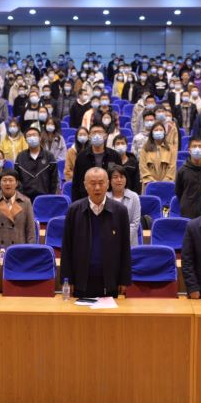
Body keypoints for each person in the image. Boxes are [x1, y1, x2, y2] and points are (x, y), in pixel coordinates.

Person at [61, 167, 132, 298]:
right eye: (93, 183)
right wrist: (67, 279)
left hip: (110, 280)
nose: (97, 188)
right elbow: (66, 248)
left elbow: (125, 248)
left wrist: (124, 279)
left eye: (101, 183)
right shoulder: (74, 210)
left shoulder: (120, 211)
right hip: (81, 280)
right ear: (85, 185)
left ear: (108, 184)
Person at [0, 168, 37, 251]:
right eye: (4, 180)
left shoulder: (26, 202)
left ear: (16, 183)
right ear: (0, 183)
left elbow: (31, 231)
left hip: (18, 250)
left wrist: (29, 251)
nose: (7, 183)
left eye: (11, 180)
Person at [71, 124, 120, 201]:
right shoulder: (81, 157)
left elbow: (119, 178)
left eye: (100, 132)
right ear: (89, 136)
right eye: (94, 133)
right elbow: (76, 183)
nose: (97, 135)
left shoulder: (114, 156)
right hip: (86, 198)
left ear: (105, 136)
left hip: (110, 199)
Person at [15, 127, 60, 201]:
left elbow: (54, 180)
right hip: (25, 199)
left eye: (34, 135)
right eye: (29, 136)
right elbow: (17, 180)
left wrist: (51, 197)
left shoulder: (49, 156)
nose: (32, 137)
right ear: (25, 139)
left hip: (45, 198)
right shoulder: (20, 157)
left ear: (39, 138)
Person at [107, 164, 141, 247]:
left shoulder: (134, 197)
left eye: (122, 177)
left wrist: (123, 240)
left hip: (129, 243)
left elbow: (135, 223)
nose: (119, 180)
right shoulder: (104, 197)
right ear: (109, 180)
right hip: (108, 242)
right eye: (115, 177)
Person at [139, 121, 177, 189]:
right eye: (156, 130)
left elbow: (172, 167)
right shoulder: (145, 148)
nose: (158, 132)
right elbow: (143, 167)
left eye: (161, 130)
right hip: (149, 185)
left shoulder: (171, 149)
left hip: (166, 185)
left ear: (164, 132)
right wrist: (153, 182)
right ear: (152, 133)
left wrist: (163, 183)